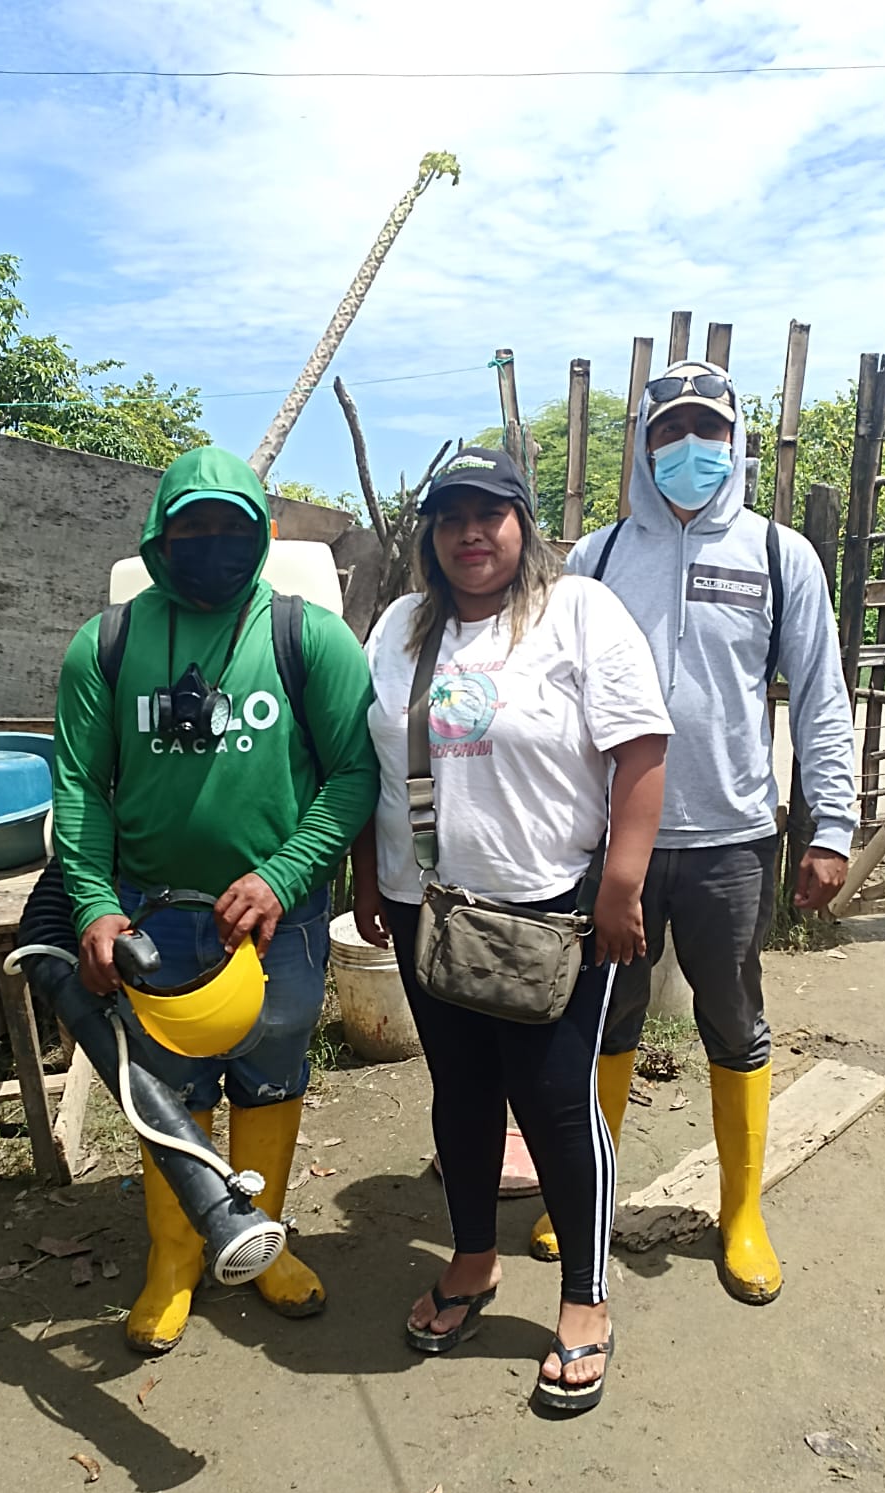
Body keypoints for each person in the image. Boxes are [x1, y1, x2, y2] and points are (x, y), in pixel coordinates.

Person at [352, 447, 672, 1411]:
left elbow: (640, 748)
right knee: (460, 1093)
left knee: (555, 1100)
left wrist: (620, 885)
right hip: (427, 905)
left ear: (522, 524)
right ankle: (471, 1258)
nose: (469, 533)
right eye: (449, 515)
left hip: (550, 910)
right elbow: (369, 760)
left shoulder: (578, 611)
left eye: (488, 513)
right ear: (429, 533)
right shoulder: (401, 626)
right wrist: (369, 877)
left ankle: (584, 1294)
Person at [532, 359, 858, 1304]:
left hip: (731, 841)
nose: (688, 448)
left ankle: (740, 1213)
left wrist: (830, 825)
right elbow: (551, 701)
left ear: (735, 440)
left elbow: (820, 696)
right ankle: (585, 1195)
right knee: (602, 1019)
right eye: (669, 430)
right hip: (610, 849)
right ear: (642, 444)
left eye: (706, 430)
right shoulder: (594, 560)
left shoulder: (778, 556)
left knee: (733, 1018)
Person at [51, 445, 378, 1352]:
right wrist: (93, 904)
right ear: (159, 537)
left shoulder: (311, 639)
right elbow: (79, 787)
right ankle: (175, 1256)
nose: (210, 543)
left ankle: (263, 1242)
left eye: (229, 527)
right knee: (168, 1089)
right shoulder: (106, 644)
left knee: (270, 1076)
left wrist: (282, 875)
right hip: (150, 920)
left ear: (260, 535)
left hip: (278, 921)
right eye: (190, 526)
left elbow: (355, 774)